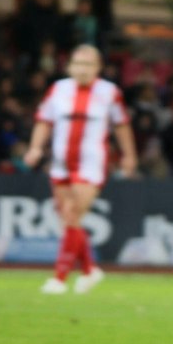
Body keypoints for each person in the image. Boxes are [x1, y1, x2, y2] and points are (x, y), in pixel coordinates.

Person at [23, 45, 137, 294]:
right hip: (62, 162)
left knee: (73, 213)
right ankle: (90, 270)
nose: (83, 69)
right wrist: (35, 148)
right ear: (70, 66)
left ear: (98, 68)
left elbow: (122, 126)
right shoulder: (58, 89)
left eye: (89, 65)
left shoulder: (109, 92)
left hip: (91, 163)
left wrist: (129, 155)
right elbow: (44, 121)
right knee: (68, 218)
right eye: (78, 64)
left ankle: (59, 278)